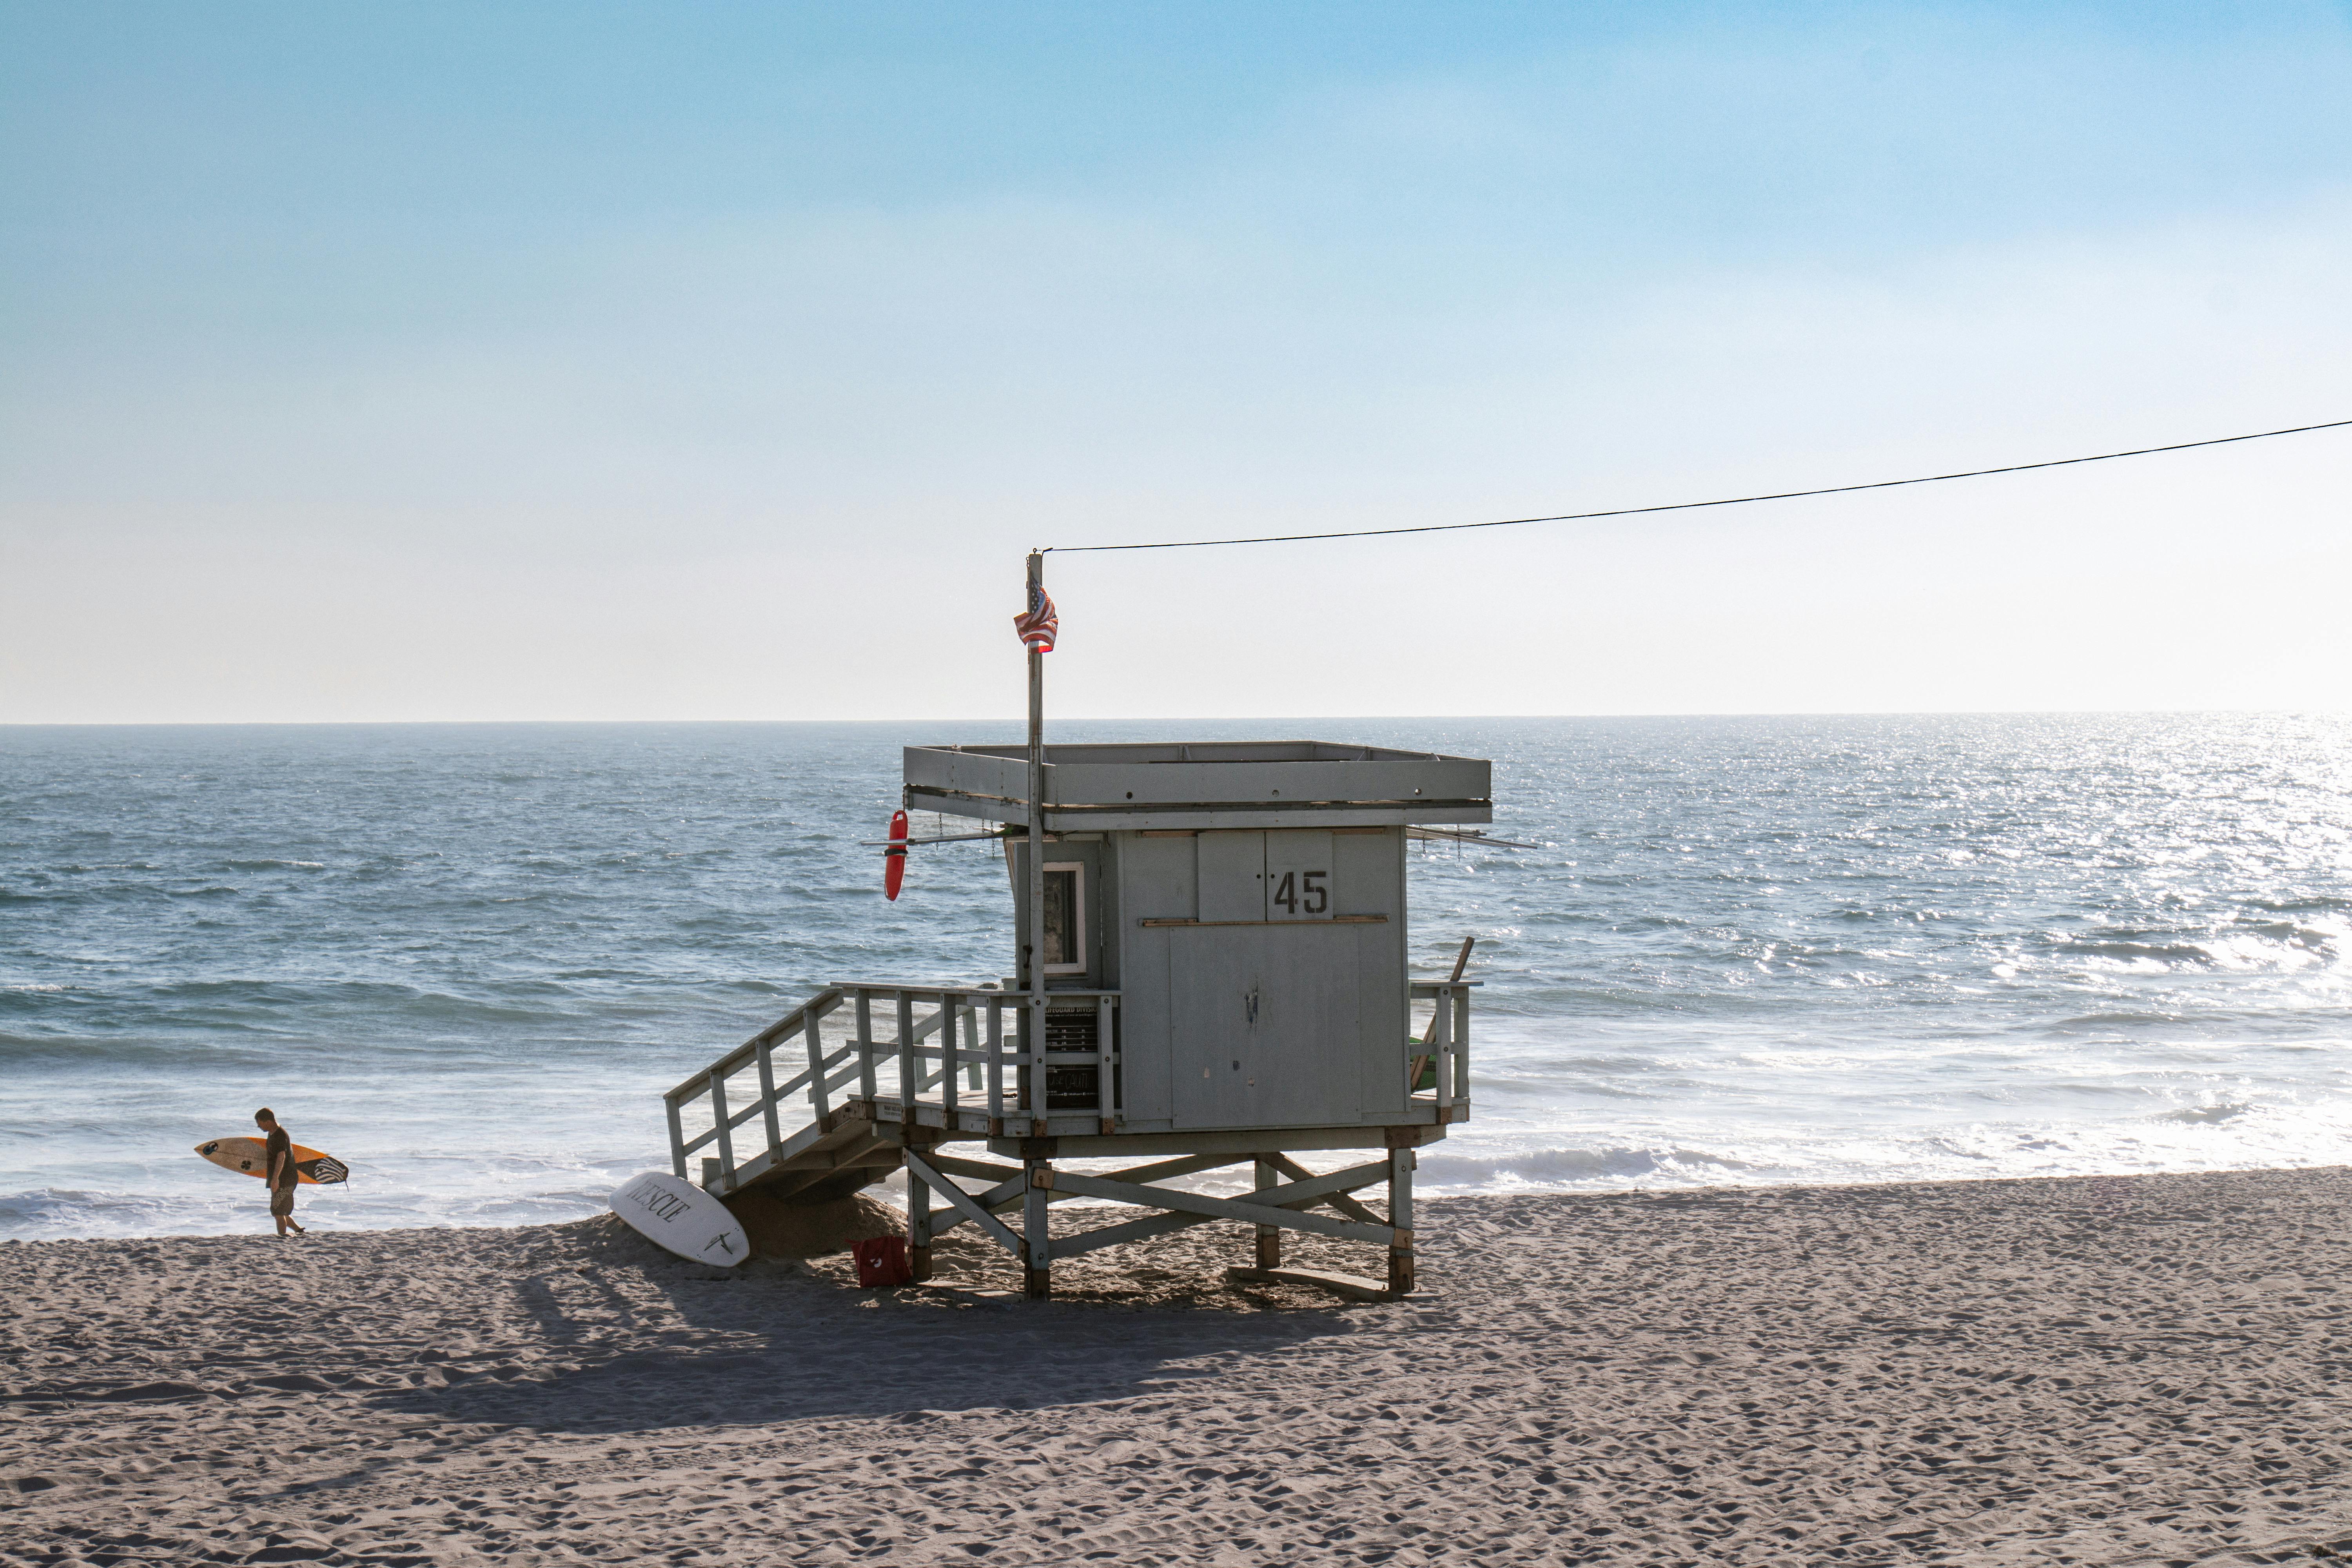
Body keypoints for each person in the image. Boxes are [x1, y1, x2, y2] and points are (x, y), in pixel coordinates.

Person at [254, 1107, 306, 1236]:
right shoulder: (273, 1133)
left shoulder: (280, 1135)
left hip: (285, 1178)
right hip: (280, 1177)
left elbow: (281, 1157)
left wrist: (276, 1179)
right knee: (280, 1210)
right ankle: (299, 1232)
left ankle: (282, 1239)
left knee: (278, 1212)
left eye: (260, 1123)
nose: (258, 1126)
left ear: (268, 1121)